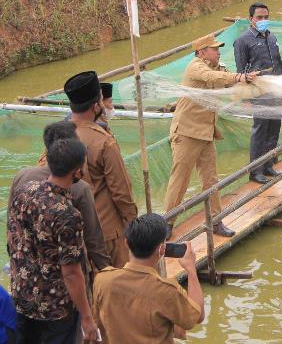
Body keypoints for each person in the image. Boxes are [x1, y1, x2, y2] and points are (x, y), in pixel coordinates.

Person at [163, 33, 258, 237]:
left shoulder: (219, 68)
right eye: (214, 49)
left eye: (218, 48)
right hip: (187, 132)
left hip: (206, 132)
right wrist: (239, 77)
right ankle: (167, 224)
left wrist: (249, 81)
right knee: (180, 179)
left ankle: (216, 221)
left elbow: (229, 81)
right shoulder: (195, 67)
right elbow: (212, 78)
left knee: (211, 179)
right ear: (201, 52)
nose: (218, 52)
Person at [8, 138, 99, 343]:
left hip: (23, 296)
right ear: (77, 172)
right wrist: (87, 317)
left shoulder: (24, 191)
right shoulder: (68, 215)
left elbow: (13, 237)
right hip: (56, 308)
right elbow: (71, 273)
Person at [10, 121, 111, 273]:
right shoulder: (79, 188)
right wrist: (106, 270)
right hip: (62, 277)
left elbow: (12, 225)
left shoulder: (22, 177)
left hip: (25, 272)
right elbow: (93, 241)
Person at [65, 71, 138, 268]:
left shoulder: (59, 137)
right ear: (96, 105)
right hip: (107, 232)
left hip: (74, 231)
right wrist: (133, 222)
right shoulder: (104, 142)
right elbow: (121, 191)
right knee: (118, 280)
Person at [93, 213, 204, 344]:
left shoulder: (102, 280)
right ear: (162, 249)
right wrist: (191, 269)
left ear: (126, 243)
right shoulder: (166, 291)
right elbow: (198, 316)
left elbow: (98, 320)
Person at [234, 2, 282, 184]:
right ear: (251, 19)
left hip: (276, 90)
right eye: (259, 17)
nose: (263, 20)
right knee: (260, 130)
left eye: (266, 17)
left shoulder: (272, 37)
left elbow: (279, 66)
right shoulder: (242, 41)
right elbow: (241, 71)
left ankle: (268, 165)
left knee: (274, 129)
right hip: (258, 92)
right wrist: (247, 97)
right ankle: (255, 171)